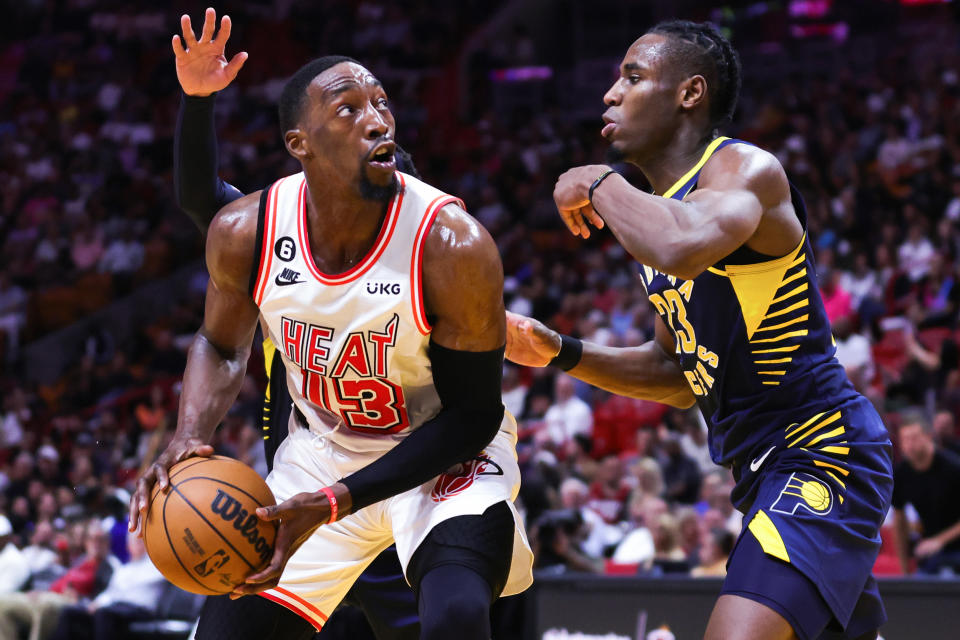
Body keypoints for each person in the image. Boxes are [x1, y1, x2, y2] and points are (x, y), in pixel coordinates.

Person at [130, 10, 533, 640]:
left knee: (454, 616)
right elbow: (218, 341)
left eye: (382, 103)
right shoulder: (250, 230)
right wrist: (187, 433)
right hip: (321, 453)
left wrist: (338, 500)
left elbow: (473, 415)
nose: (377, 119)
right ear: (300, 143)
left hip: (438, 456)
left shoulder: (453, 244)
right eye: (348, 108)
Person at [505, 20, 892, 640]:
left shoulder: (742, 169)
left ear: (690, 93)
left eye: (632, 76)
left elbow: (682, 245)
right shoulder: (660, 215)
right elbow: (678, 376)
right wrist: (559, 351)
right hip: (759, 470)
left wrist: (599, 180)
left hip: (821, 452)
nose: (610, 93)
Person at [166, 10, 423, 639]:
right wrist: (198, 102)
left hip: (410, 492)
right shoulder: (286, 236)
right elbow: (205, 200)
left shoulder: (435, 248)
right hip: (304, 496)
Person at [891, 410, 960, 575]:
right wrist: (904, 570)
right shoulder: (901, 474)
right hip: (929, 552)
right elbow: (899, 522)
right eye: (904, 440)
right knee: (915, 592)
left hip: (955, 549)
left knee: (946, 579)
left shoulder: (953, 468)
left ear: (928, 436)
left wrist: (939, 541)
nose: (909, 445)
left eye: (914, 438)